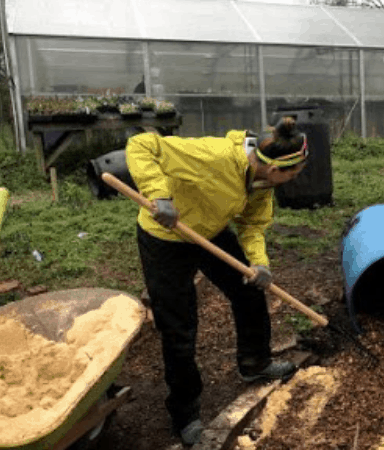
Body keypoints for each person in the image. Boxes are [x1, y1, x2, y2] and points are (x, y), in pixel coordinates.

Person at [126, 116, 307, 446]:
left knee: (249, 291)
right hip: (167, 237)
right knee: (179, 326)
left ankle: (255, 362)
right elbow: (142, 144)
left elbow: (252, 224)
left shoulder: (262, 181)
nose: (294, 180)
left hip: (210, 232)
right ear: (275, 168)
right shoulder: (213, 156)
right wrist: (159, 195)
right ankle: (185, 414)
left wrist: (259, 263)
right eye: (292, 174)